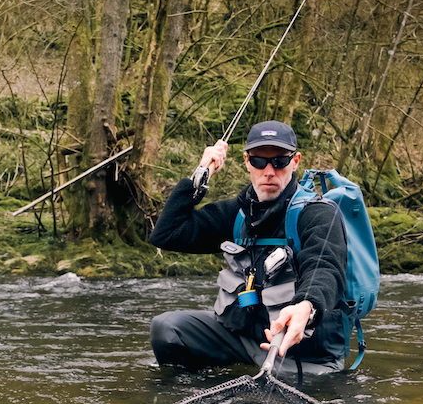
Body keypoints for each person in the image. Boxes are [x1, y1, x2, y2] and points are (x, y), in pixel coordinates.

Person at [149, 120, 348, 374]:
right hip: (243, 343)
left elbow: (325, 267)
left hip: (303, 356)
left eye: (279, 161)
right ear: (246, 162)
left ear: (295, 161)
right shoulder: (237, 214)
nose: (269, 171)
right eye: (258, 161)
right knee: (167, 328)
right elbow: (167, 234)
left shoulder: (317, 214)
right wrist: (199, 175)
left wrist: (306, 306)